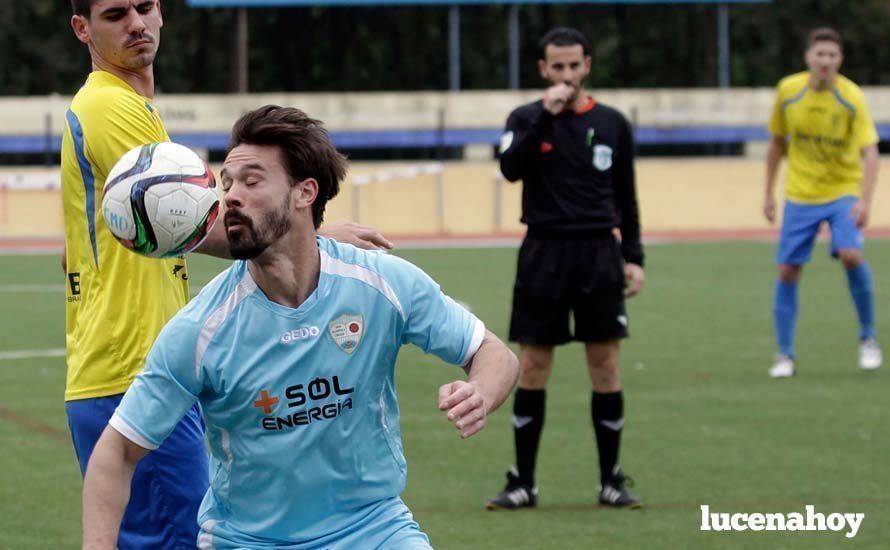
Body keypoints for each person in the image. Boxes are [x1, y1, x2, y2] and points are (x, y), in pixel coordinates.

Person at [80, 105, 519, 549]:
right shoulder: (200, 330)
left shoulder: (381, 284)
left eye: (251, 181)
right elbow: (116, 451)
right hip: (249, 541)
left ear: (304, 192)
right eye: (226, 184)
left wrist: (480, 391)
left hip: (374, 530)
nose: (230, 196)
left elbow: (493, 353)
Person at [62, 1, 390, 547]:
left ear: (162, 11)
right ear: (82, 29)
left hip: (134, 363)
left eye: (144, 7)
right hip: (132, 366)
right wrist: (313, 239)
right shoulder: (109, 106)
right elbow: (191, 225)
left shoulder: (128, 106)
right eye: (116, 14)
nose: (136, 24)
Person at [486, 27, 644, 510]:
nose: (567, 76)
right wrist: (545, 119)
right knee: (532, 365)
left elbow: (627, 197)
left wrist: (633, 256)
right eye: (558, 67)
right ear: (543, 70)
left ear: (587, 66)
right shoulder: (526, 118)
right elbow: (510, 168)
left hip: (598, 253)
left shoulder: (614, 123)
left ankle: (611, 480)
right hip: (543, 253)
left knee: (606, 365)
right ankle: (522, 483)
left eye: (575, 66)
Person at [764, 27, 881, 378]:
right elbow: (775, 143)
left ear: (840, 60)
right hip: (801, 193)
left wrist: (864, 200)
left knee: (851, 254)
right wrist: (767, 192)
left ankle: (868, 339)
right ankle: (785, 355)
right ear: (808, 58)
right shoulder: (788, 91)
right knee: (787, 269)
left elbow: (871, 151)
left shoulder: (851, 97)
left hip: (843, 188)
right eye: (820, 54)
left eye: (833, 55)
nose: (826, 61)